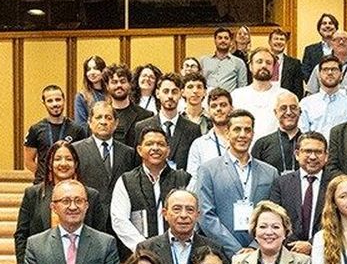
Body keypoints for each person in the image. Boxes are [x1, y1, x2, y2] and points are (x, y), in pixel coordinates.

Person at [14, 140, 111, 264]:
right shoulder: (33, 194)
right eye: (58, 159)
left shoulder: (91, 196)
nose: (63, 163)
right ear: (50, 164)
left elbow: (100, 236)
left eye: (69, 159)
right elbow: (21, 236)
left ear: (76, 163)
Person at [191, 109, 276, 255]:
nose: (242, 135)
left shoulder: (270, 172)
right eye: (237, 129)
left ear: (253, 134)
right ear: (227, 133)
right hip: (220, 253)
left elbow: (274, 214)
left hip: (260, 252)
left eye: (247, 130)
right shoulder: (208, 170)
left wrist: (254, 247)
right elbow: (206, 215)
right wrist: (236, 250)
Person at [111, 126, 193, 253]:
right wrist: (144, 248)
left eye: (160, 144)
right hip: (140, 255)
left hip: (179, 250)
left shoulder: (184, 179)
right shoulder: (126, 181)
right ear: (139, 150)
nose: (155, 148)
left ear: (168, 150)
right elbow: (119, 220)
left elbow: (192, 216)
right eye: (149, 144)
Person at [132, 72, 203, 173]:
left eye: (174, 92)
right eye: (166, 91)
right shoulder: (141, 127)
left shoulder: (193, 129)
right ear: (157, 93)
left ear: (181, 94)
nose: (170, 96)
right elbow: (137, 164)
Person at [74, 100, 141, 200]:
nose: (103, 122)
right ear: (90, 122)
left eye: (108, 118)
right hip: (89, 207)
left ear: (116, 123)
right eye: (98, 117)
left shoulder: (128, 153)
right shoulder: (76, 150)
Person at [23, 84, 88, 182]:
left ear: (64, 100)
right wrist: (45, 175)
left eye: (58, 99)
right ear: (44, 102)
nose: (55, 104)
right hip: (43, 183)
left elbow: (82, 160)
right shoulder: (35, 129)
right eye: (50, 101)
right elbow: (29, 162)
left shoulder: (77, 130)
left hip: (69, 183)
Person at [250, 89, 304, 173]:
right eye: (283, 108)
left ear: (300, 111)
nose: (289, 112)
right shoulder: (262, 144)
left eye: (293, 108)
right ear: (276, 112)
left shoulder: (310, 143)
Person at [200, 26, 249, 91]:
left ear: (231, 41)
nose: (223, 40)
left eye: (226, 38)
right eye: (220, 38)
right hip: (208, 96)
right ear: (215, 40)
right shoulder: (204, 61)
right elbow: (199, 83)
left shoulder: (239, 63)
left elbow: (242, 88)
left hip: (230, 97)